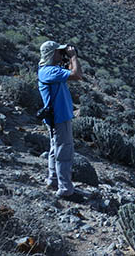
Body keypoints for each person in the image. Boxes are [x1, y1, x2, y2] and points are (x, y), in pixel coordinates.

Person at [37, 40, 83, 198]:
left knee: (54, 150)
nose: (61, 53)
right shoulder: (49, 71)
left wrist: (68, 60)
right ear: (51, 53)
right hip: (60, 117)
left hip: (56, 117)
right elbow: (77, 75)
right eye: (59, 51)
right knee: (64, 152)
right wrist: (73, 57)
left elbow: (70, 74)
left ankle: (53, 180)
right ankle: (65, 189)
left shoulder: (48, 70)